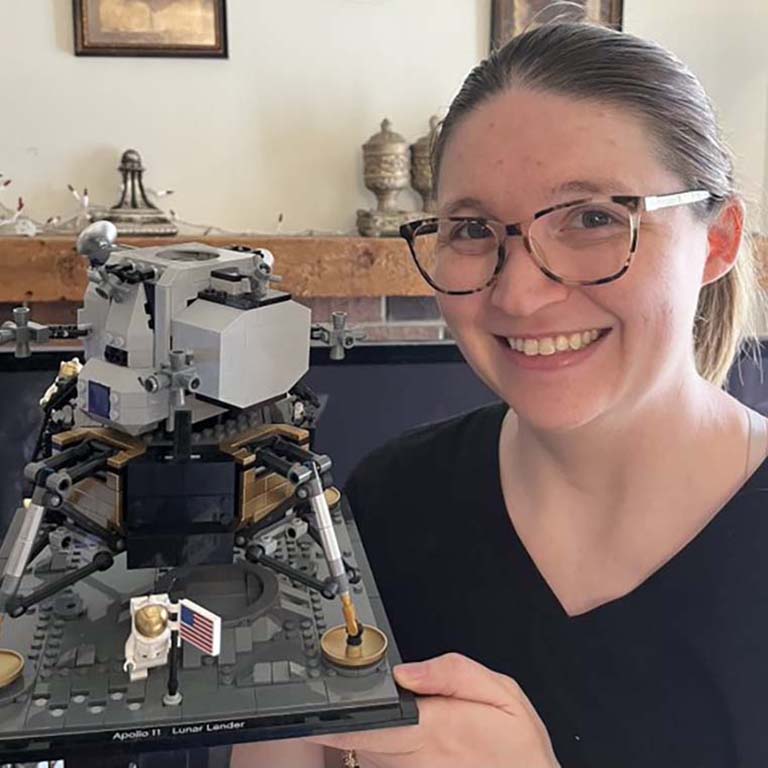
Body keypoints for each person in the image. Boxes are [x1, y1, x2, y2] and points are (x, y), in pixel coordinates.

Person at [232, 18, 767, 768]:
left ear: (717, 241)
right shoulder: (389, 501)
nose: (518, 294)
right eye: (473, 228)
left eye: (593, 218)